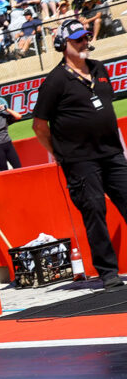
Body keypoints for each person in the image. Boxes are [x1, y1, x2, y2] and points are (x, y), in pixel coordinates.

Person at [33, 18, 126, 289]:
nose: (84, 43)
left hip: (112, 153)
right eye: (77, 40)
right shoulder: (55, 81)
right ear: (63, 45)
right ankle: (108, 272)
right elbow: (39, 126)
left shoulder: (99, 68)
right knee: (94, 211)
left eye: (85, 38)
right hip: (79, 160)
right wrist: (59, 153)